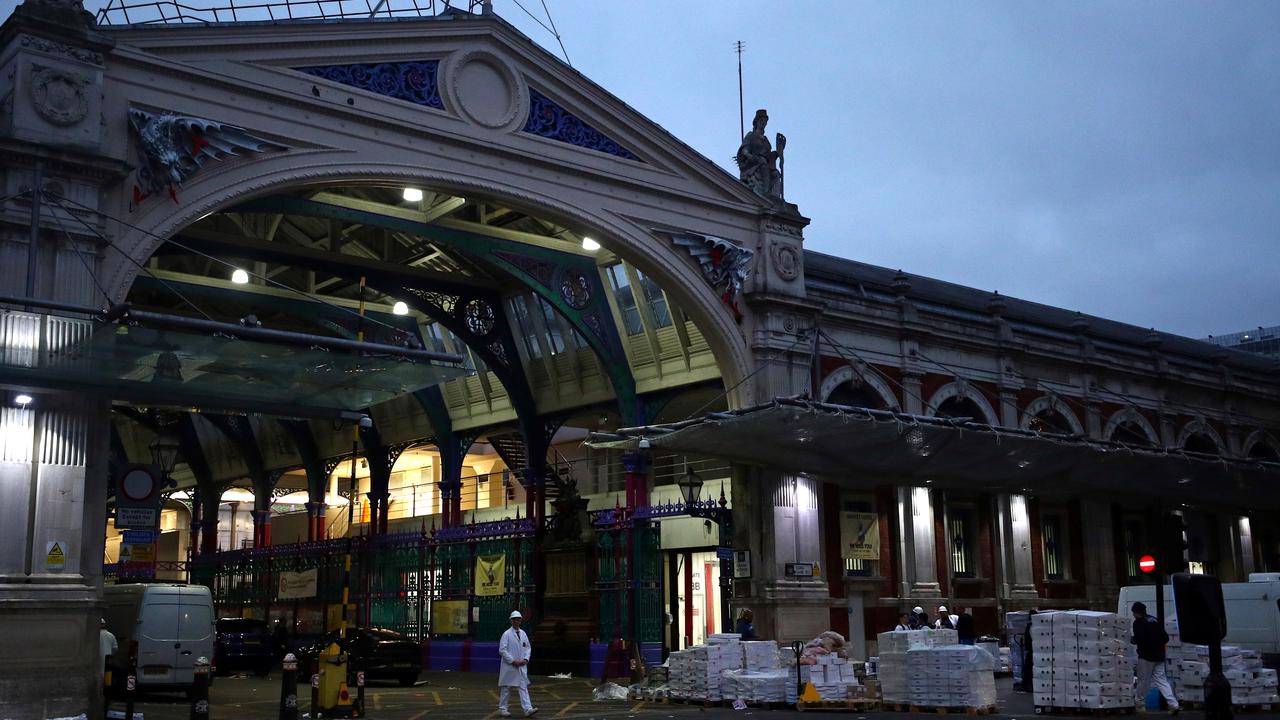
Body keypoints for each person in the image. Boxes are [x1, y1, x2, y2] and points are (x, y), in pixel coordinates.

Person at [1131, 602, 1178, 714]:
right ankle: (1173, 704)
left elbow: (1139, 639)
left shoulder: (1138, 623)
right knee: (1162, 681)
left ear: (1136, 613)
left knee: (1143, 681)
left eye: (1133, 613)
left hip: (1146, 656)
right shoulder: (1154, 620)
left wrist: (1133, 640)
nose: (1133, 615)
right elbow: (1165, 638)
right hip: (1159, 656)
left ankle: (1140, 704)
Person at [498, 610, 537, 717]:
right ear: (511, 621)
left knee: (523, 687)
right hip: (510, 666)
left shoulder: (523, 633)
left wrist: (525, 659)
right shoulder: (506, 634)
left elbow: (527, 647)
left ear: (520, 621)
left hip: (521, 666)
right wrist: (512, 661)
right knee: (506, 687)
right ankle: (502, 708)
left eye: (518, 619)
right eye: (515, 620)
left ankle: (528, 709)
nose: (517, 621)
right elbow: (502, 650)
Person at [99, 618, 117, 686]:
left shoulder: (94, 635)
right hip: (107, 660)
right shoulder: (111, 635)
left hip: (97, 659)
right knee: (107, 676)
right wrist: (110, 655)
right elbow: (115, 648)